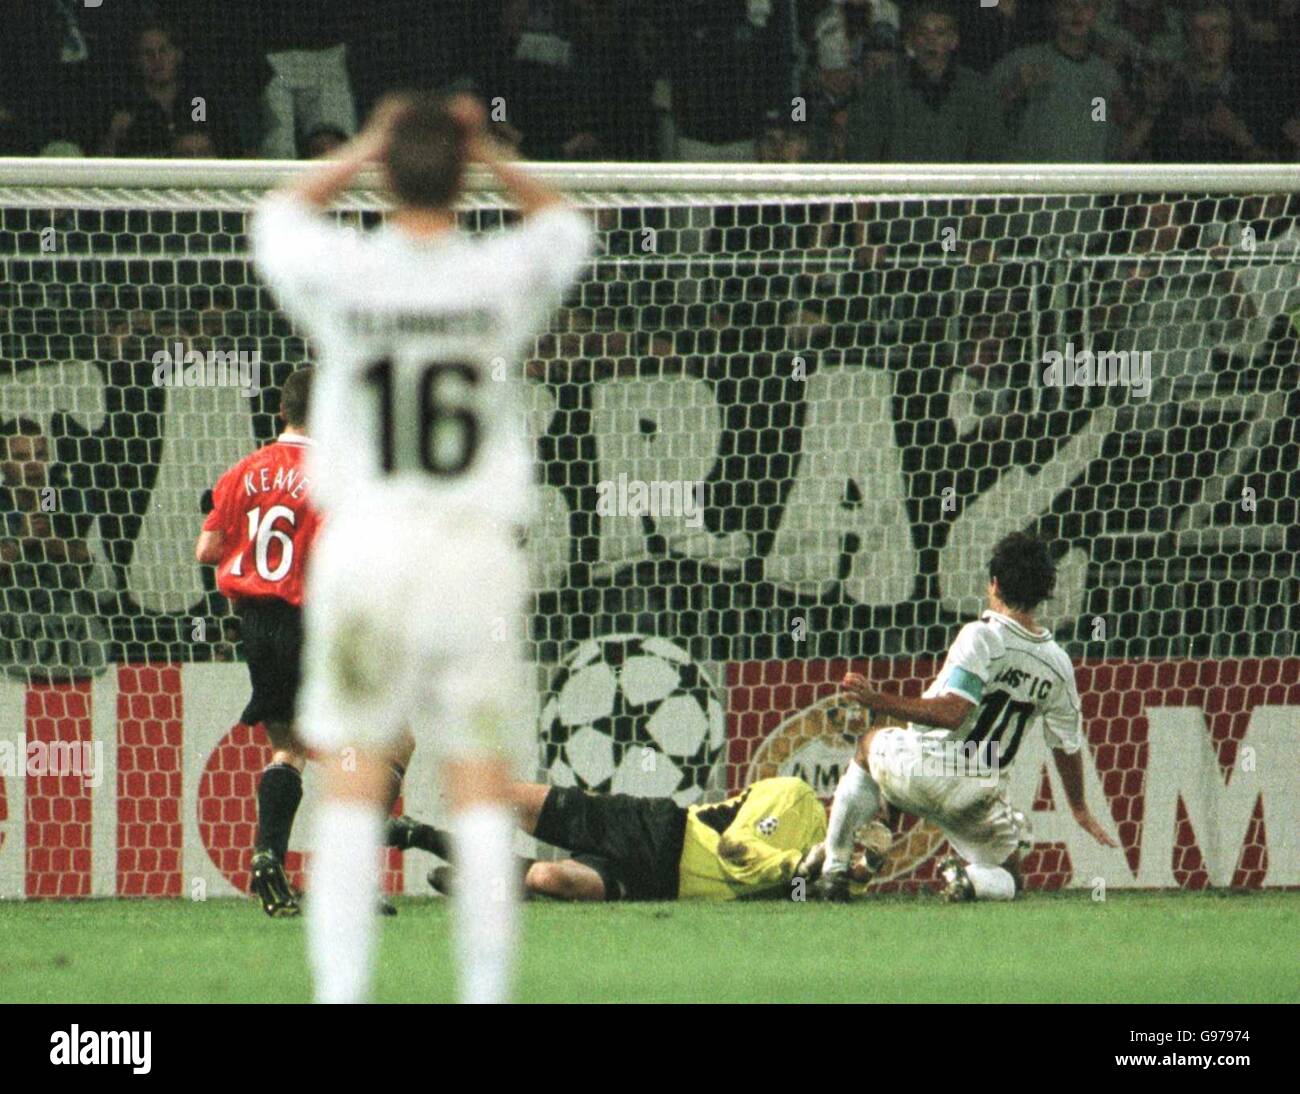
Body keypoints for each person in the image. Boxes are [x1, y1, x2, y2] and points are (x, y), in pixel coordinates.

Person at [250, 93, 592, 1003]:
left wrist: (367, 144)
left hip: (366, 554)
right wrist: (481, 151)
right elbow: (563, 223)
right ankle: (483, 994)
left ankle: (343, 993)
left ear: (385, 172)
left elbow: (277, 214)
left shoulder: (347, 274)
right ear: (465, 172)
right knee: (479, 791)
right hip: (468, 559)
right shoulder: (495, 278)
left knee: (356, 785)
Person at [196, 369, 427, 917]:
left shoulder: (240, 473)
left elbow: (207, 550)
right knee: (392, 743)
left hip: (255, 624)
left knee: (290, 749)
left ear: (282, 411)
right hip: (312, 621)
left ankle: (267, 855)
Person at [816, 532, 1117, 903]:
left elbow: (952, 712)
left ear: (994, 584)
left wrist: (877, 698)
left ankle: (834, 869)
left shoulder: (982, 636)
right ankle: (968, 880)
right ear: (1044, 592)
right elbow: (1066, 745)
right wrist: (1079, 807)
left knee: (867, 745)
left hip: (923, 768)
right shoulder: (1058, 664)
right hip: (975, 794)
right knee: (1009, 878)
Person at [425, 775, 888, 903]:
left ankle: (457, 862)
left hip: (663, 886)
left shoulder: (821, 864)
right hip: (659, 833)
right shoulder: (797, 797)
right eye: (865, 814)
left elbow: (825, 891)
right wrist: (801, 862)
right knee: (527, 806)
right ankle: (452, 804)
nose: (863, 829)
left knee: (551, 879)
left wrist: (858, 869)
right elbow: (735, 853)